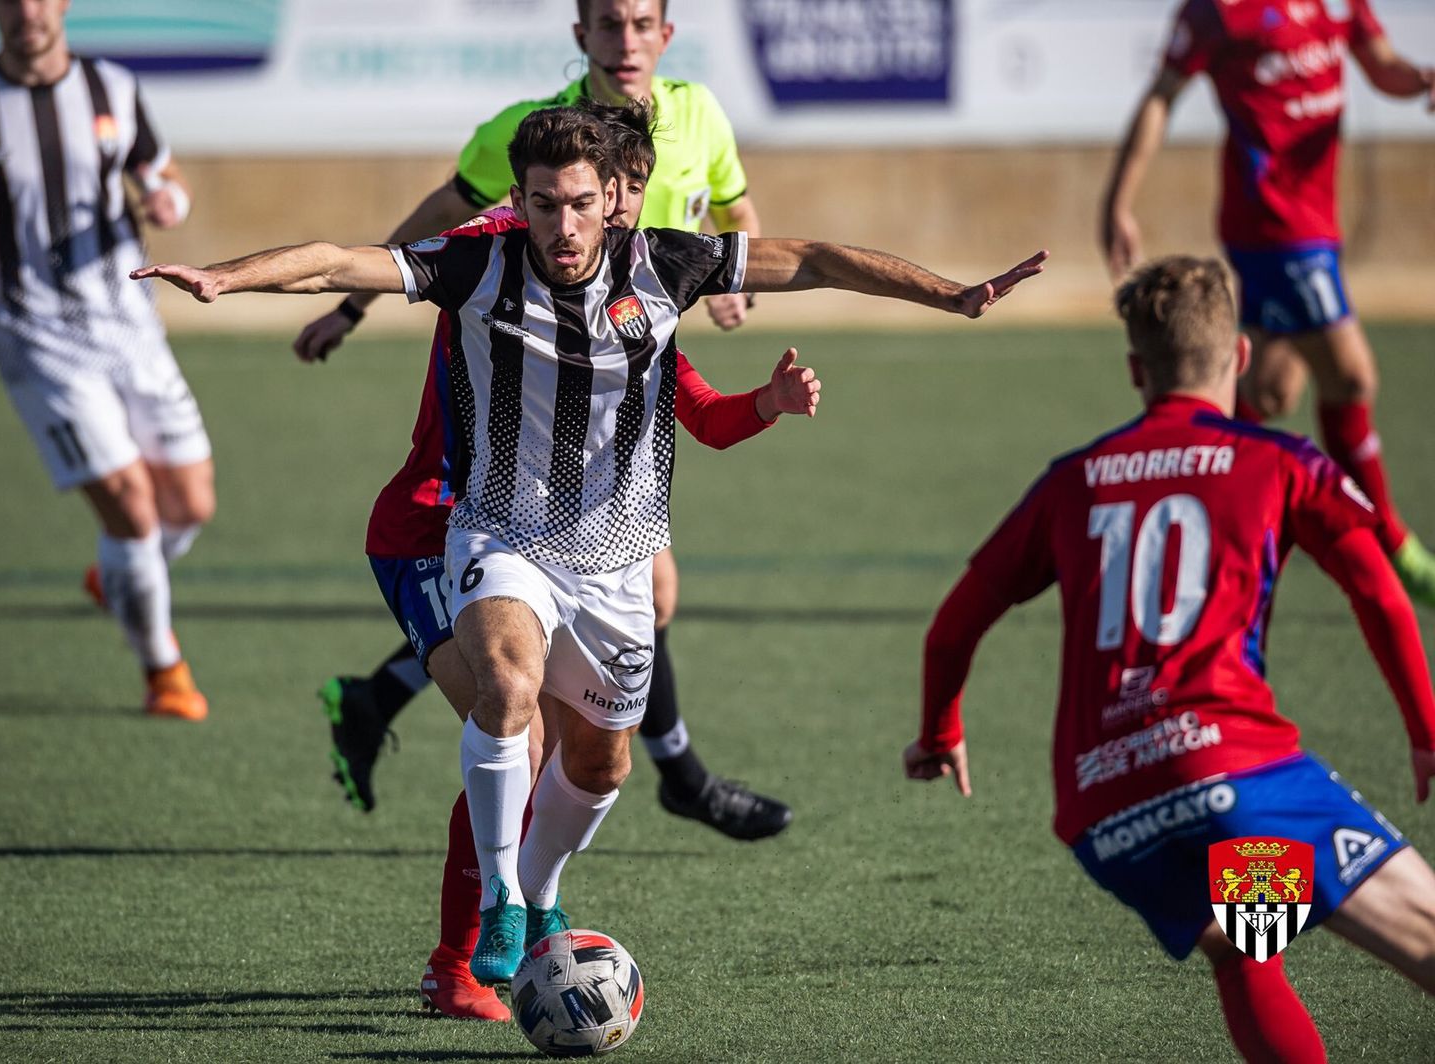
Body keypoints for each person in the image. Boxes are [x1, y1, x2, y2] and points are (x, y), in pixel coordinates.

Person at [133, 105, 1047, 985]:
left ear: (612, 197)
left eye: (579, 203)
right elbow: (341, 259)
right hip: (501, 535)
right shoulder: (478, 265)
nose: (562, 225)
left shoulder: (666, 267)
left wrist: (950, 294)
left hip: (617, 562)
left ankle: (540, 892)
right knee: (509, 692)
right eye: (543, 204)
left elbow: (809, 259)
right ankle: (499, 900)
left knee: (602, 761)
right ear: (520, 201)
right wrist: (225, 277)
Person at [345, 101, 823, 1022]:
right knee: (517, 727)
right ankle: (462, 955)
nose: (622, 214)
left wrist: (766, 402)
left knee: (582, 755)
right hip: (433, 520)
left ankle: (521, 888)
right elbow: (393, 251)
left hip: (555, 544)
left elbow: (699, 409)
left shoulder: (628, 296)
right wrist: (339, 301)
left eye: (634, 194)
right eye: (615, 193)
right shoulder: (499, 249)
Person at [905, 256, 1435, 1062]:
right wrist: (1425, 731)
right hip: (1235, 775)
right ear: (1242, 357)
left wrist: (940, 731)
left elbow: (951, 629)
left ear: (1135, 370)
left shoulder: (1074, 480)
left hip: (1107, 804)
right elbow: (1381, 595)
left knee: (1247, 941)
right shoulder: (1280, 461)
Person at [300, 0, 787, 837]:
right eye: (610, 23)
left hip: (626, 365)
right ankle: (661, 787)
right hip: (525, 421)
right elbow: (430, 233)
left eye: (642, 23)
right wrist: (350, 306)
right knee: (536, 710)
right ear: (580, 35)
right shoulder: (527, 143)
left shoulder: (700, 115)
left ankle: (396, 708)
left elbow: (738, 220)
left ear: (666, 35)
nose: (626, 40)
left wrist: (732, 286)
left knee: (581, 652)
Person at [0, 0, 213, 720]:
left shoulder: (113, 89)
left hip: (130, 324)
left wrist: (170, 201)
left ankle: (121, 578)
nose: (28, 12)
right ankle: (163, 671)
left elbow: (164, 176)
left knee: (191, 504)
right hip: (36, 336)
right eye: (10, 0)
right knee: (130, 504)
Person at [1100, 0, 1435, 606]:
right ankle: (1391, 543)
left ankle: (1198, 506)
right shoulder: (1220, 11)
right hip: (1274, 227)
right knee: (1352, 377)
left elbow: (1381, 65)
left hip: (1317, 222)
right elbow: (1161, 96)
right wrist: (1118, 201)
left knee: (1271, 391)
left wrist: (1420, 80)